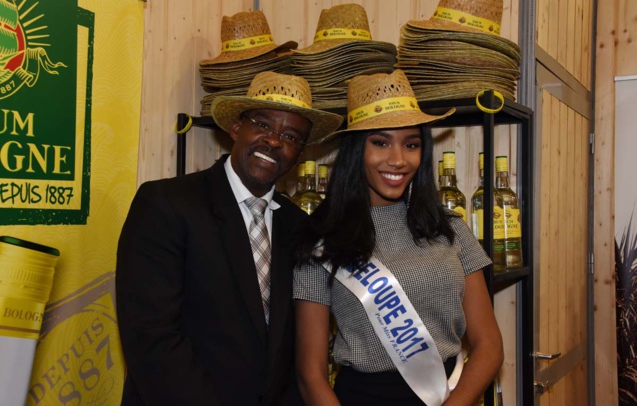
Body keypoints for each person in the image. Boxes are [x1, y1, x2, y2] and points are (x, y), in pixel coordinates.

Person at [116, 71, 342, 405]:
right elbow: (152, 338)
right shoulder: (167, 204)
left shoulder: (297, 225)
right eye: (263, 125)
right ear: (236, 127)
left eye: (291, 137)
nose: (275, 141)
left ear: (300, 153)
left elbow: (289, 351)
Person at [293, 70, 503, 406]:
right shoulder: (322, 240)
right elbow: (310, 374)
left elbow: (489, 344)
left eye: (411, 144)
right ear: (354, 151)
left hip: (449, 395)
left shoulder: (449, 228)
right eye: (380, 142)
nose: (398, 159)